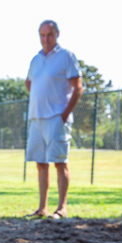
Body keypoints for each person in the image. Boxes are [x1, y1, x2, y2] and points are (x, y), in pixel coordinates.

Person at [25, 19, 83, 219]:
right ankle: (42, 208)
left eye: (49, 35)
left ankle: (61, 208)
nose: (45, 39)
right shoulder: (35, 59)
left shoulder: (66, 57)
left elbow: (78, 87)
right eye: (42, 35)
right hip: (36, 119)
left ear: (57, 35)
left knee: (60, 162)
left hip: (57, 119)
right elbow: (29, 83)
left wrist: (64, 114)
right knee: (41, 163)